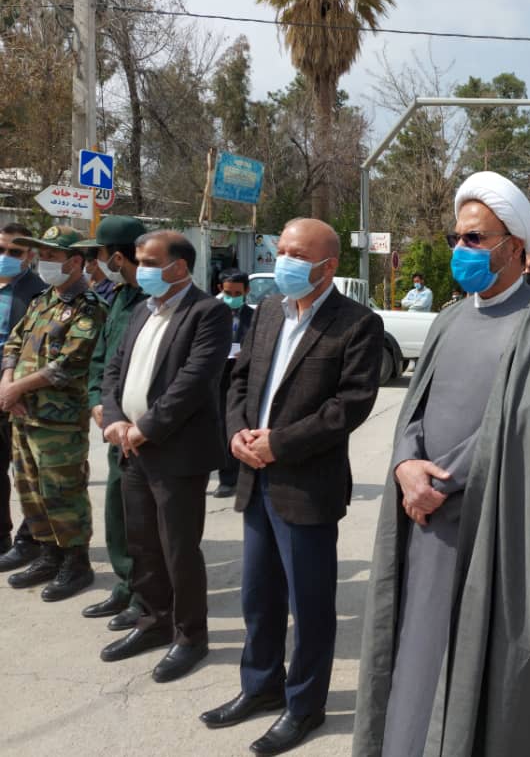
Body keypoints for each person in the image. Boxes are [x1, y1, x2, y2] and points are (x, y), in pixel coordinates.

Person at [353, 170, 530, 757]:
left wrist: (441, 482)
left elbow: (523, 429)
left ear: (514, 247)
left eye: (475, 238)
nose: (462, 248)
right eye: (457, 237)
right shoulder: (448, 319)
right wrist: (406, 467)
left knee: (481, 667)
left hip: (491, 528)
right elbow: (413, 409)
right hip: (423, 522)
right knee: (415, 654)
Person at [199, 219, 383, 756]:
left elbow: (349, 406)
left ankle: (304, 705)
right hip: (255, 476)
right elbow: (238, 380)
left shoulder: (357, 324)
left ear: (329, 266)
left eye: (297, 254)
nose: (284, 261)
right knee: (258, 596)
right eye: (280, 250)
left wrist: (279, 443)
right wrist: (237, 433)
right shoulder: (267, 311)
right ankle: (260, 685)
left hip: (306, 485)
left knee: (310, 605)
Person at [98, 230, 231, 683]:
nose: (141, 269)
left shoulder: (207, 312)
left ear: (179, 267)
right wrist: (115, 419)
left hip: (176, 452)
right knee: (142, 544)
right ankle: (154, 620)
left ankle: (190, 636)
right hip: (131, 447)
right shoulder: (142, 309)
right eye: (139, 261)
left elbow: (194, 381)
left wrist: (146, 428)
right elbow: (115, 369)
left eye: (151, 262)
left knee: (178, 549)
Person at [0, 226, 106, 601]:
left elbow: (69, 364)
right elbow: (15, 341)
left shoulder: (89, 307)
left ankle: (76, 564)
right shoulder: (42, 300)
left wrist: (16, 389)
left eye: (51, 256)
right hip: (24, 415)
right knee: (30, 491)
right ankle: (48, 555)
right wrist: (8, 382)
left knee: (62, 493)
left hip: (59, 422)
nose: (43, 262)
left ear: (75, 262)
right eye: (41, 255)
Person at [75, 216, 150, 630]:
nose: (96, 262)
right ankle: (126, 584)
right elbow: (102, 358)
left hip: (146, 429)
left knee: (146, 518)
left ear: (118, 257)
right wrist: (96, 402)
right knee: (118, 512)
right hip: (114, 426)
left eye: (99, 254)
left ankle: (148, 594)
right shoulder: (120, 297)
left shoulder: (157, 301)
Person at [0, 224, 47, 560]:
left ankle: (30, 540)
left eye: (14, 252)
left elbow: (34, 349)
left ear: (29, 256)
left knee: (28, 473)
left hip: (19, 394)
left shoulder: (40, 294)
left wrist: (13, 388)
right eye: (1, 249)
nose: (5, 256)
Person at [214, 269, 255, 499]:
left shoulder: (255, 317)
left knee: (243, 426)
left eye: (238, 294)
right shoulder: (211, 314)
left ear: (246, 291)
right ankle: (227, 479)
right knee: (221, 428)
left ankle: (244, 474)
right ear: (220, 289)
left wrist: (246, 353)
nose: (232, 298)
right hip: (217, 380)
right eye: (228, 293)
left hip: (244, 379)